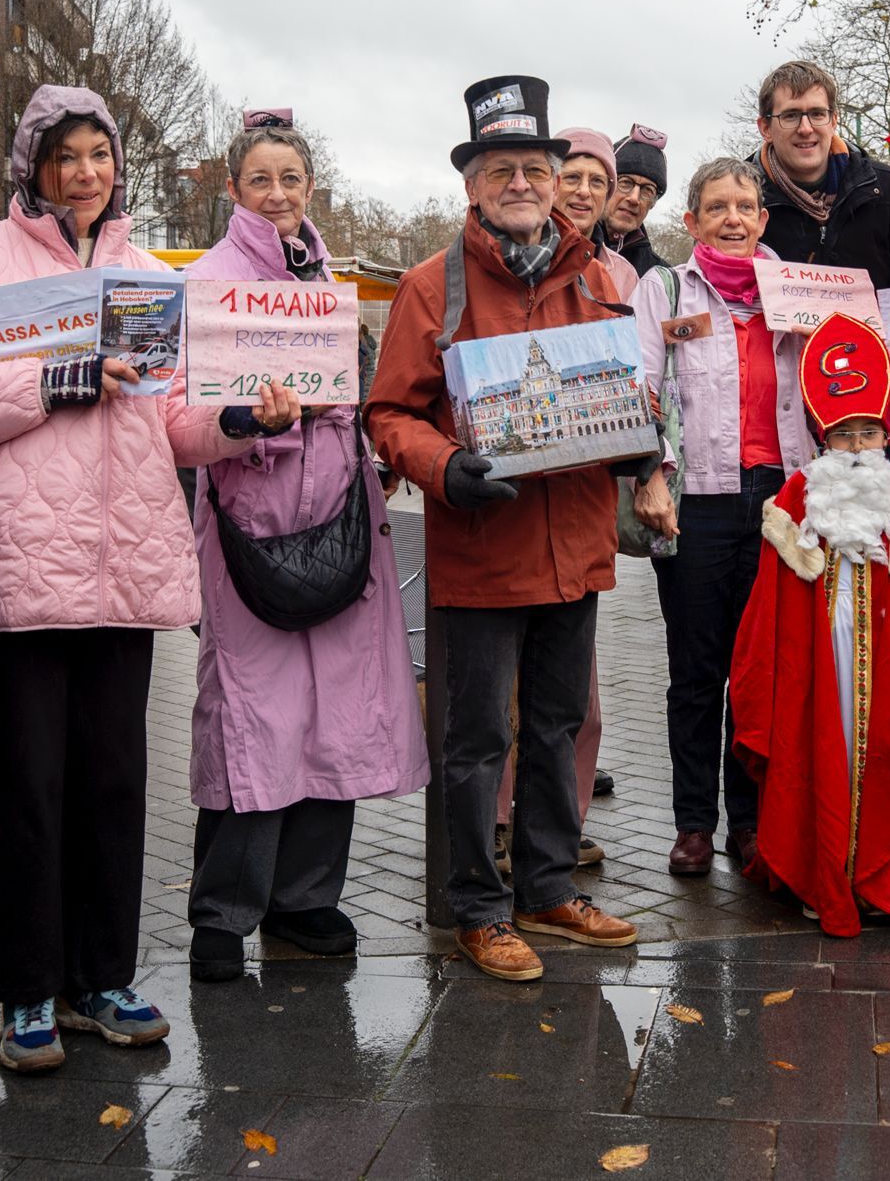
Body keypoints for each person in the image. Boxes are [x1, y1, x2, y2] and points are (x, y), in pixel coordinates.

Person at [0, 85, 299, 1070]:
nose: (83, 172)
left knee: (115, 783)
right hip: (26, 569)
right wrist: (53, 380)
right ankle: (27, 991)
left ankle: (103, 980)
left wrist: (242, 421)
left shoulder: (147, 275)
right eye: (63, 155)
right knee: (30, 786)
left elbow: (175, 420)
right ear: (31, 163)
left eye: (97, 155)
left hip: (127, 568)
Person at [365, 74, 642, 982]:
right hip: (483, 547)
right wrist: (445, 466)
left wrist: (644, 444)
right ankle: (477, 909)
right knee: (479, 737)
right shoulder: (428, 287)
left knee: (558, 725)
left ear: (557, 176)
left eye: (533, 166)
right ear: (472, 186)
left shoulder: (598, 278)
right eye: (501, 170)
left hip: (576, 544)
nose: (520, 183)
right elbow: (390, 414)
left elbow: (633, 396)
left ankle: (549, 887)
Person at [185, 110, 429, 982]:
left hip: (341, 514)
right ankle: (224, 910)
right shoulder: (210, 281)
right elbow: (179, 425)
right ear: (233, 188)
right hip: (252, 522)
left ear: (310, 187)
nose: (278, 194)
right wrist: (246, 418)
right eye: (261, 179)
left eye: (291, 178)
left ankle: (306, 898)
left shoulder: (327, 279)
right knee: (255, 716)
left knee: (338, 716)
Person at [730, 314, 890, 935]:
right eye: (843, 434)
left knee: (887, 744)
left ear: (885, 432)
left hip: (886, 657)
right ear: (821, 437)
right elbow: (771, 606)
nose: (857, 448)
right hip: (817, 656)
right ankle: (818, 868)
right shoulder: (799, 494)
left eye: (868, 433)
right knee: (816, 747)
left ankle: (880, 875)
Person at [630, 157, 814, 877]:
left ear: (763, 220)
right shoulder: (663, 287)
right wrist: (649, 474)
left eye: (746, 206)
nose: (733, 218)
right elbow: (642, 388)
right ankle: (693, 825)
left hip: (780, 501)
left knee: (761, 670)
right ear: (693, 220)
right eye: (718, 207)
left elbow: (840, 375)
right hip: (695, 501)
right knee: (697, 671)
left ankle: (751, 823)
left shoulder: (800, 292)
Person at [484, 126, 638, 869]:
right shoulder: (460, 273)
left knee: (570, 700)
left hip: (576, 518)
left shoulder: (613, 279)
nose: (580, 192)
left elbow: (635, 386)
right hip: (501, 521)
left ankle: (557, 833)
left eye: (595, 183)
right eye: (571, 175)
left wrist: (644, 442)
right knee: (500, 701)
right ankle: (502, 830)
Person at [748, 60, 890, 482]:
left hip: (880, 400)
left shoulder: (881, 185)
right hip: (788, 404)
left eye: (817, 113)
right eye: (790, 115)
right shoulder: (745, 193)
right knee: (797, 530)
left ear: (834, 119)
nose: (806, 128)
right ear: (765, 126)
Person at [603, 124, 670, 276]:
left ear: (653, 203)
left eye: (647, 190)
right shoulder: (565, 252)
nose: (634, 198)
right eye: (625, 183)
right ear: (606, 185)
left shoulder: (660, 277)